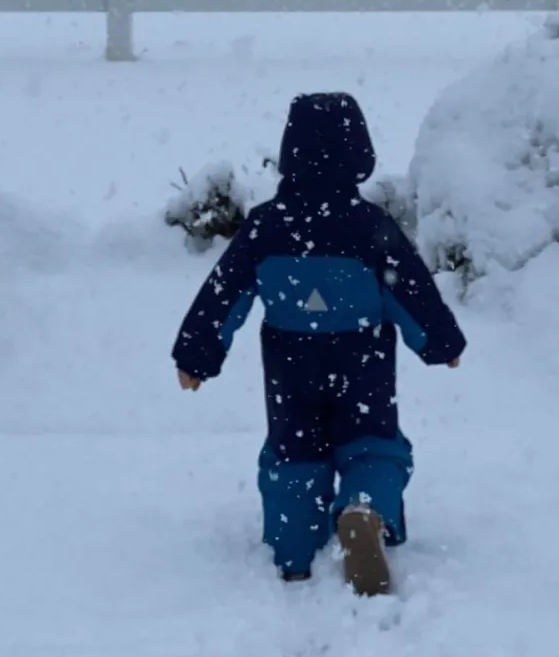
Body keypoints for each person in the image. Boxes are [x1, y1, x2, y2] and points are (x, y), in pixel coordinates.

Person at [171, 91, 466, 596]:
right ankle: (364, 510)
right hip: (364, 362)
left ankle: (292, 549)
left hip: (291, 365)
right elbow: (410, 289)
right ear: (361, 156)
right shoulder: (370, 227)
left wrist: (197, 353)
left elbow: (225, 292)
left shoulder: (265, 226)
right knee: (374, 446)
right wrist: (440, 342)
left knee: (294, 454)